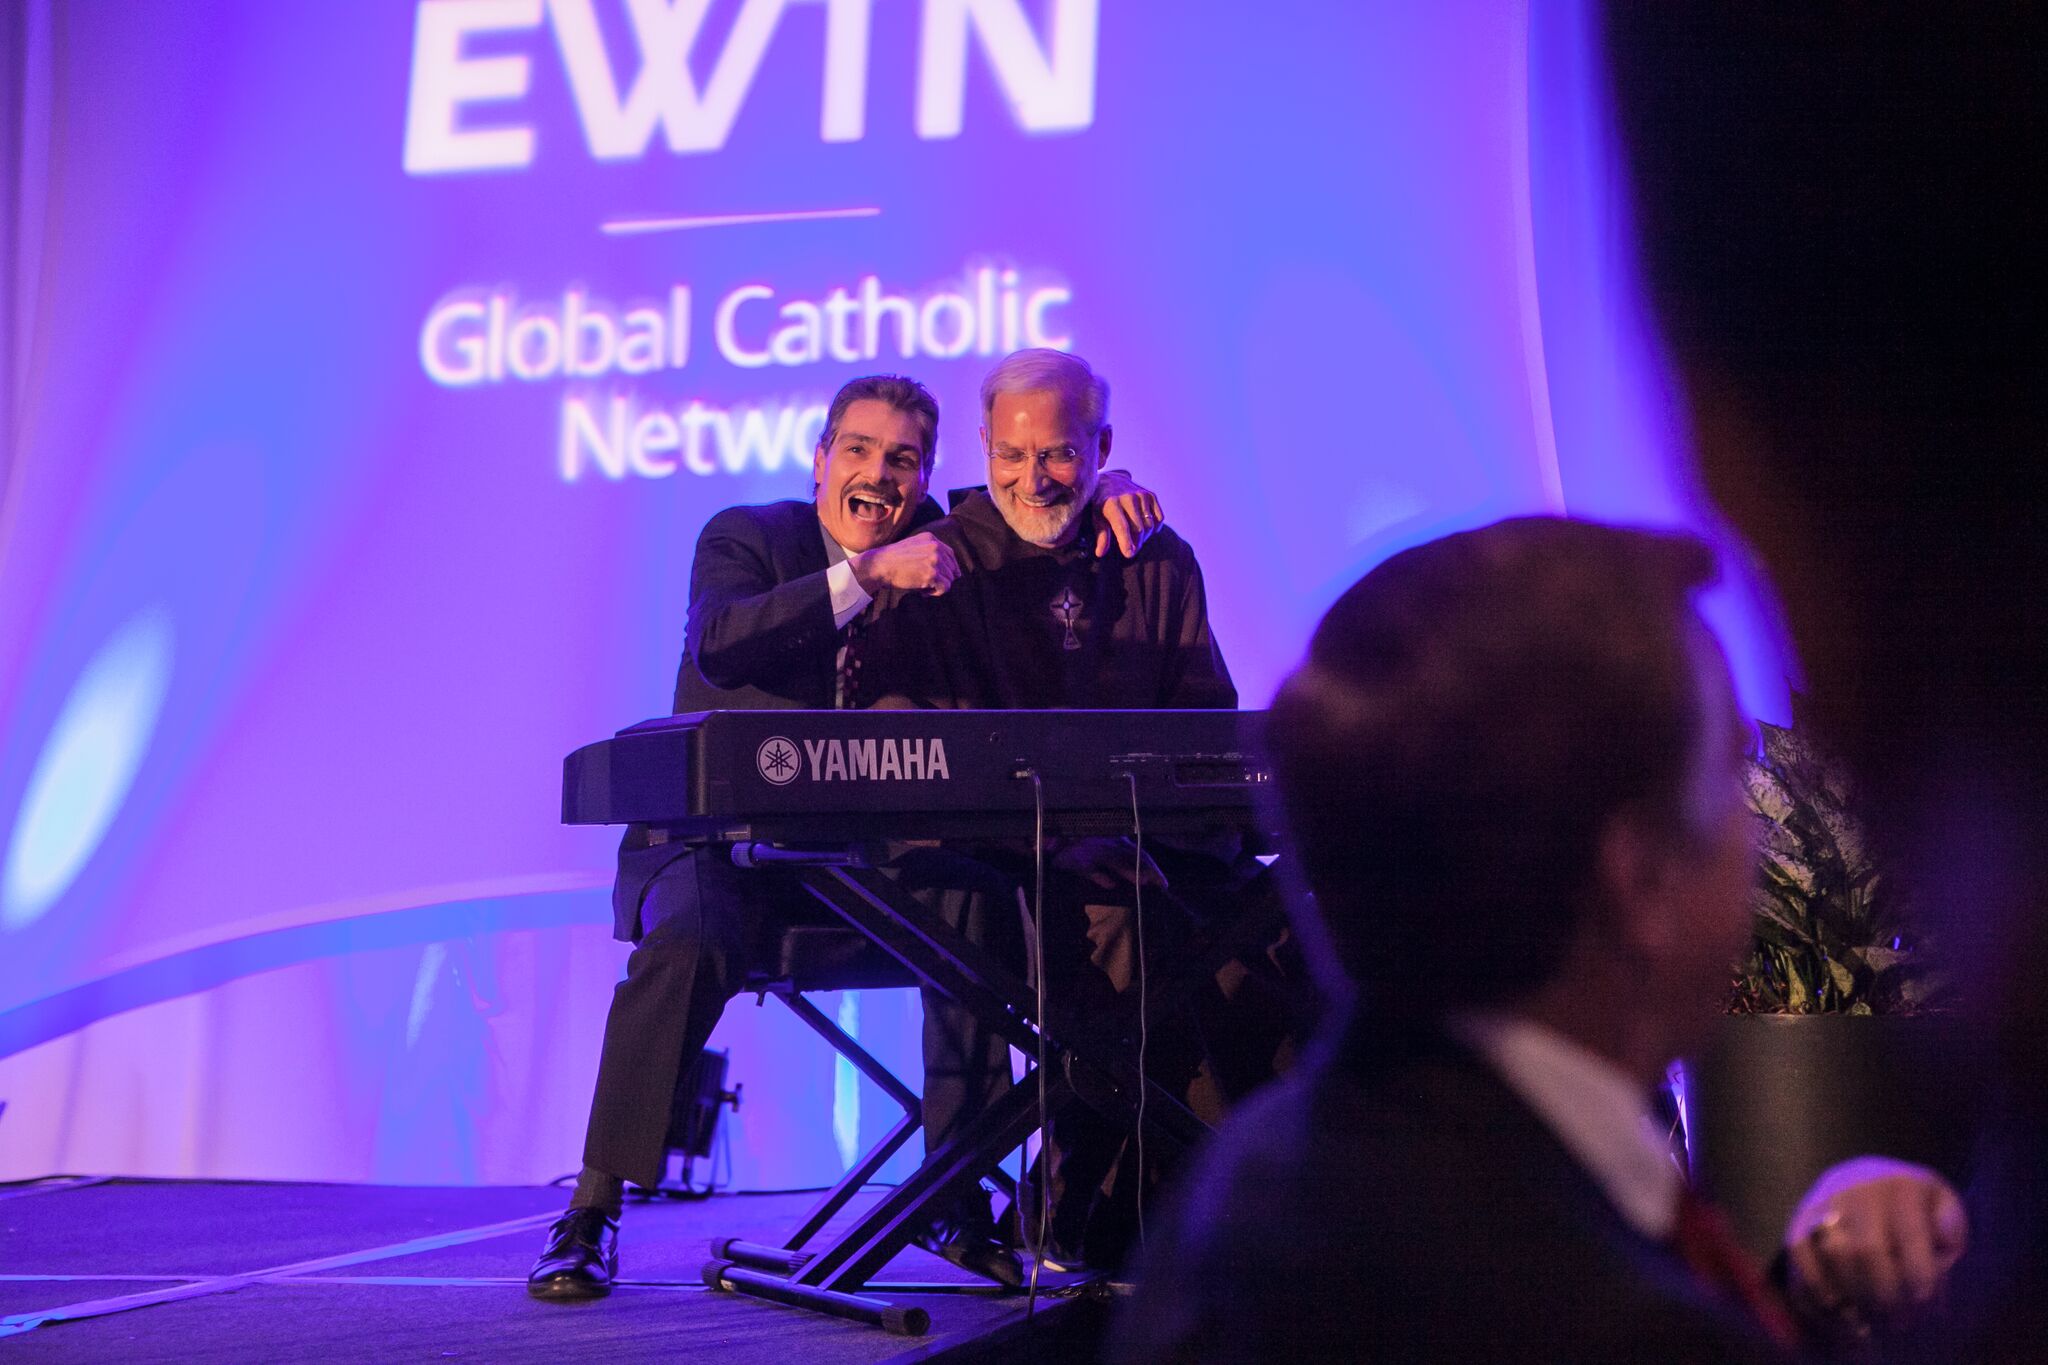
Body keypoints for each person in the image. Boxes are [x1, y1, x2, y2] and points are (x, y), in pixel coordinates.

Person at [527, 373, 1171, 1299]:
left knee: (978, 903)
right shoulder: (749, 537)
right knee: (693, 941)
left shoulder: (941, 555)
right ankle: (593, 1207)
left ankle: (954, 1198)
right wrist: (865, 576)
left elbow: (1031, 504)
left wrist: (1106, 484)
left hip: (859, 863)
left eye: (904, 459)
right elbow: (723, 641)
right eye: (859, 450)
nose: (880, 474)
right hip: (719, 850)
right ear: (820, 458)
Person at [1115, 517, 1801, 1364]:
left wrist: (1807, 1297)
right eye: (1736, 772)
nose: (1756, 832)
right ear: (1643, 877)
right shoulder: (1615, 1324)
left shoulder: (1239, 1189)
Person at [866, 349, 1288, 1272]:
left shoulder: (1155, 556)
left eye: (1057, 454)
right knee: (1125, 932)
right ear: (982, 447)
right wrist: (1057, 844)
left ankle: (1245, 1215)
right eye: (1011, 457)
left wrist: (1155, 835)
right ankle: (1090, 1230)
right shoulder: (943, 562)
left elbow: (1205, 734)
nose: (1031, 479)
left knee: (1282, 927)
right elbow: (922, 764)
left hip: (1150, 848)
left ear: (1102, 446)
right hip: (1002, 863)